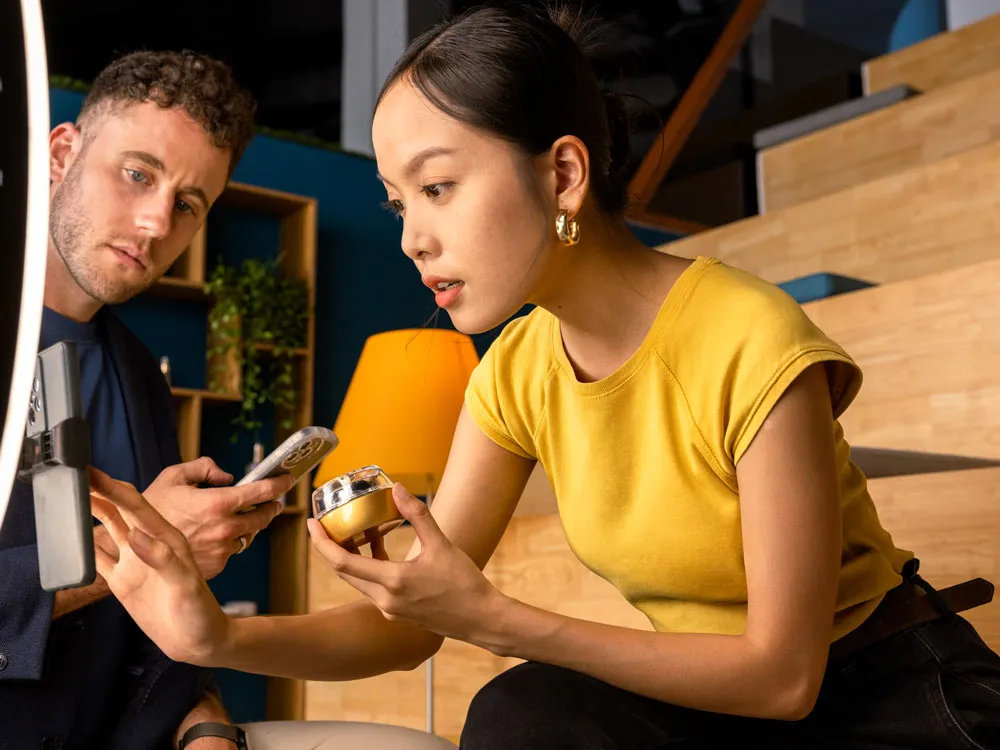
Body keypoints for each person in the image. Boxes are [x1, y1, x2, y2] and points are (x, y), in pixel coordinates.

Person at [87, 5, 1000, 749]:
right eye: (400, 204)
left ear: (563, 172)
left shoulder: (748, 336)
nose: (412, 238)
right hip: (722, 709)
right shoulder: (517, 371)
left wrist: (495, 617)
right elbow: (408, 634)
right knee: (523, 717)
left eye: (438, 188)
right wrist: (218, 635)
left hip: (888, 693)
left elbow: (784, 676)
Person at [0, 50, 293, 749]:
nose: (158, 223)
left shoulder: (139, 375)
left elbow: (156, 648)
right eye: (138, 175)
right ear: (63, 153)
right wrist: (143, 540)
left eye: (188, 204)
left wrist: (209, 733)